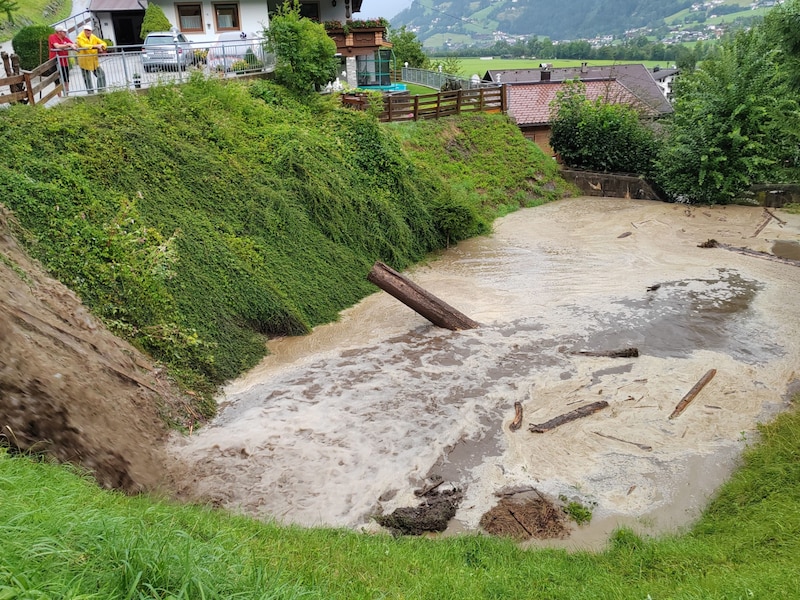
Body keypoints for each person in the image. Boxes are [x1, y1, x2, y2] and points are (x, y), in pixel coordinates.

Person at [76, 23, 107, 94]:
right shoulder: (80, 37)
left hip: (94, 61)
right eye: (86, 30)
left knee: (101, 74)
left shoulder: (93, 36)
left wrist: (101, 46)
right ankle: (90, 93)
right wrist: (96, 46)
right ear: (84, 30)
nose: (88, 32)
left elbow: (103, 43)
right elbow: (84, 45)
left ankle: (101, 90)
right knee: (87, 78)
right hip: (84, 61)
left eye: (89, 30)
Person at [48, 24, 76, 96]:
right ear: (59, 32)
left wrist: (72, 45)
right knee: (57, 81)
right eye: (64, 32)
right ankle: (60, 97)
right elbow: (57, 46)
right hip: (55, 62)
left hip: (64, 61)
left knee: (66, 79)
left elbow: (73, 44)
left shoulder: (65, 39)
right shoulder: (52, 37)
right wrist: (68, 45)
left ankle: (66, 94)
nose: (65, 33)